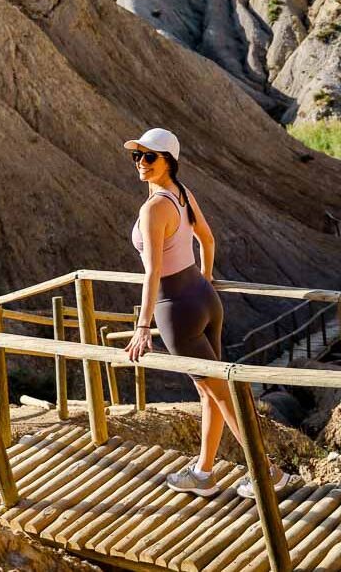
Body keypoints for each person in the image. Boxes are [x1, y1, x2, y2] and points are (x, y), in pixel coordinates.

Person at [123, 127, 291, 498]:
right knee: (210, 391)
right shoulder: (181, 195)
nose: (141, 163)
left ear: (169, 161)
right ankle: (203, 472)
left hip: (177, 311)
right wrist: (207, 278)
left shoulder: (154, 208)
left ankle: (265, 472)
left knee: (218, 392)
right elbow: (207, 239)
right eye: (137, 156)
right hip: (202, 297)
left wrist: (142, 326)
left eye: (150, 157)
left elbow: (152, 272)